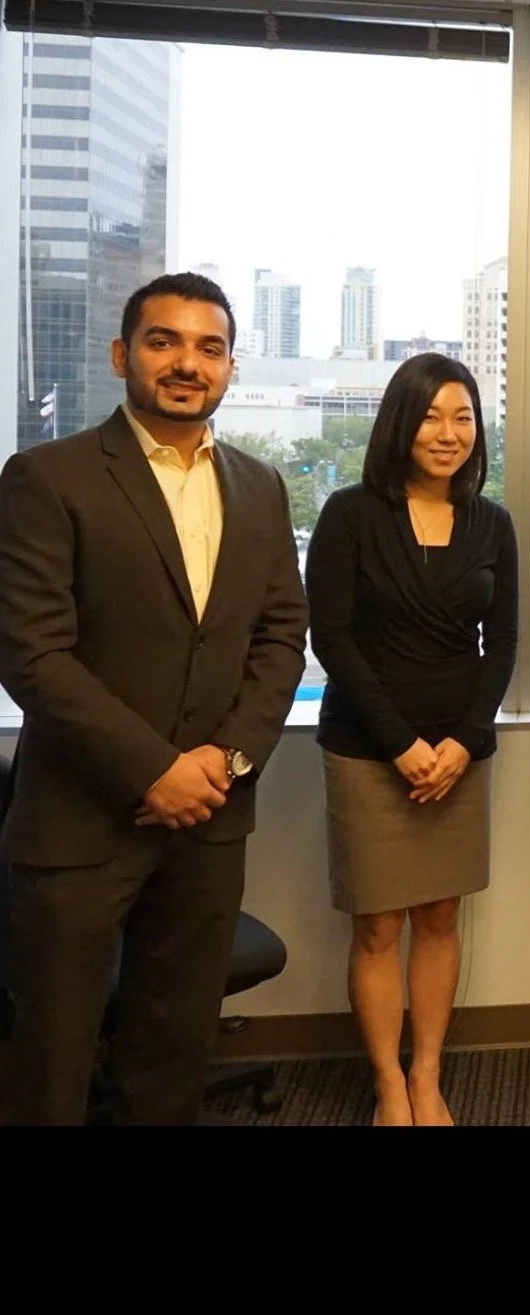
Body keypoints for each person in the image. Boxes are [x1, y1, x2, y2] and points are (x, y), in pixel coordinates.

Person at [0, 273, 308, 1125]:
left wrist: (225, 759)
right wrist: (152, 771)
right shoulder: (47, 477)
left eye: (209, 348)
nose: (186, 364)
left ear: (230, 369)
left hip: (211, 816)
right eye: (163, 341)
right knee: (50, 1061)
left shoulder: (259, 487)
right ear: (121, 355)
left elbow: (282, 635)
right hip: (80, 822)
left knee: (171, 1053)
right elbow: (33, 653)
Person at [304, 353, 517, 1128]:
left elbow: (504, 645)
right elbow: (331, 637)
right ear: (401, 421)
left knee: (438, 919)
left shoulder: (492, 522)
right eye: (432, 416)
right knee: (376, 925)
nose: (448, 433)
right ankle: (387, 1085)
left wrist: (464, 741)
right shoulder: (349, 514)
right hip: (368, 752)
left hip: (459, 759)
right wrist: (400, 744)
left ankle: (427, 1077)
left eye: (463, 418)